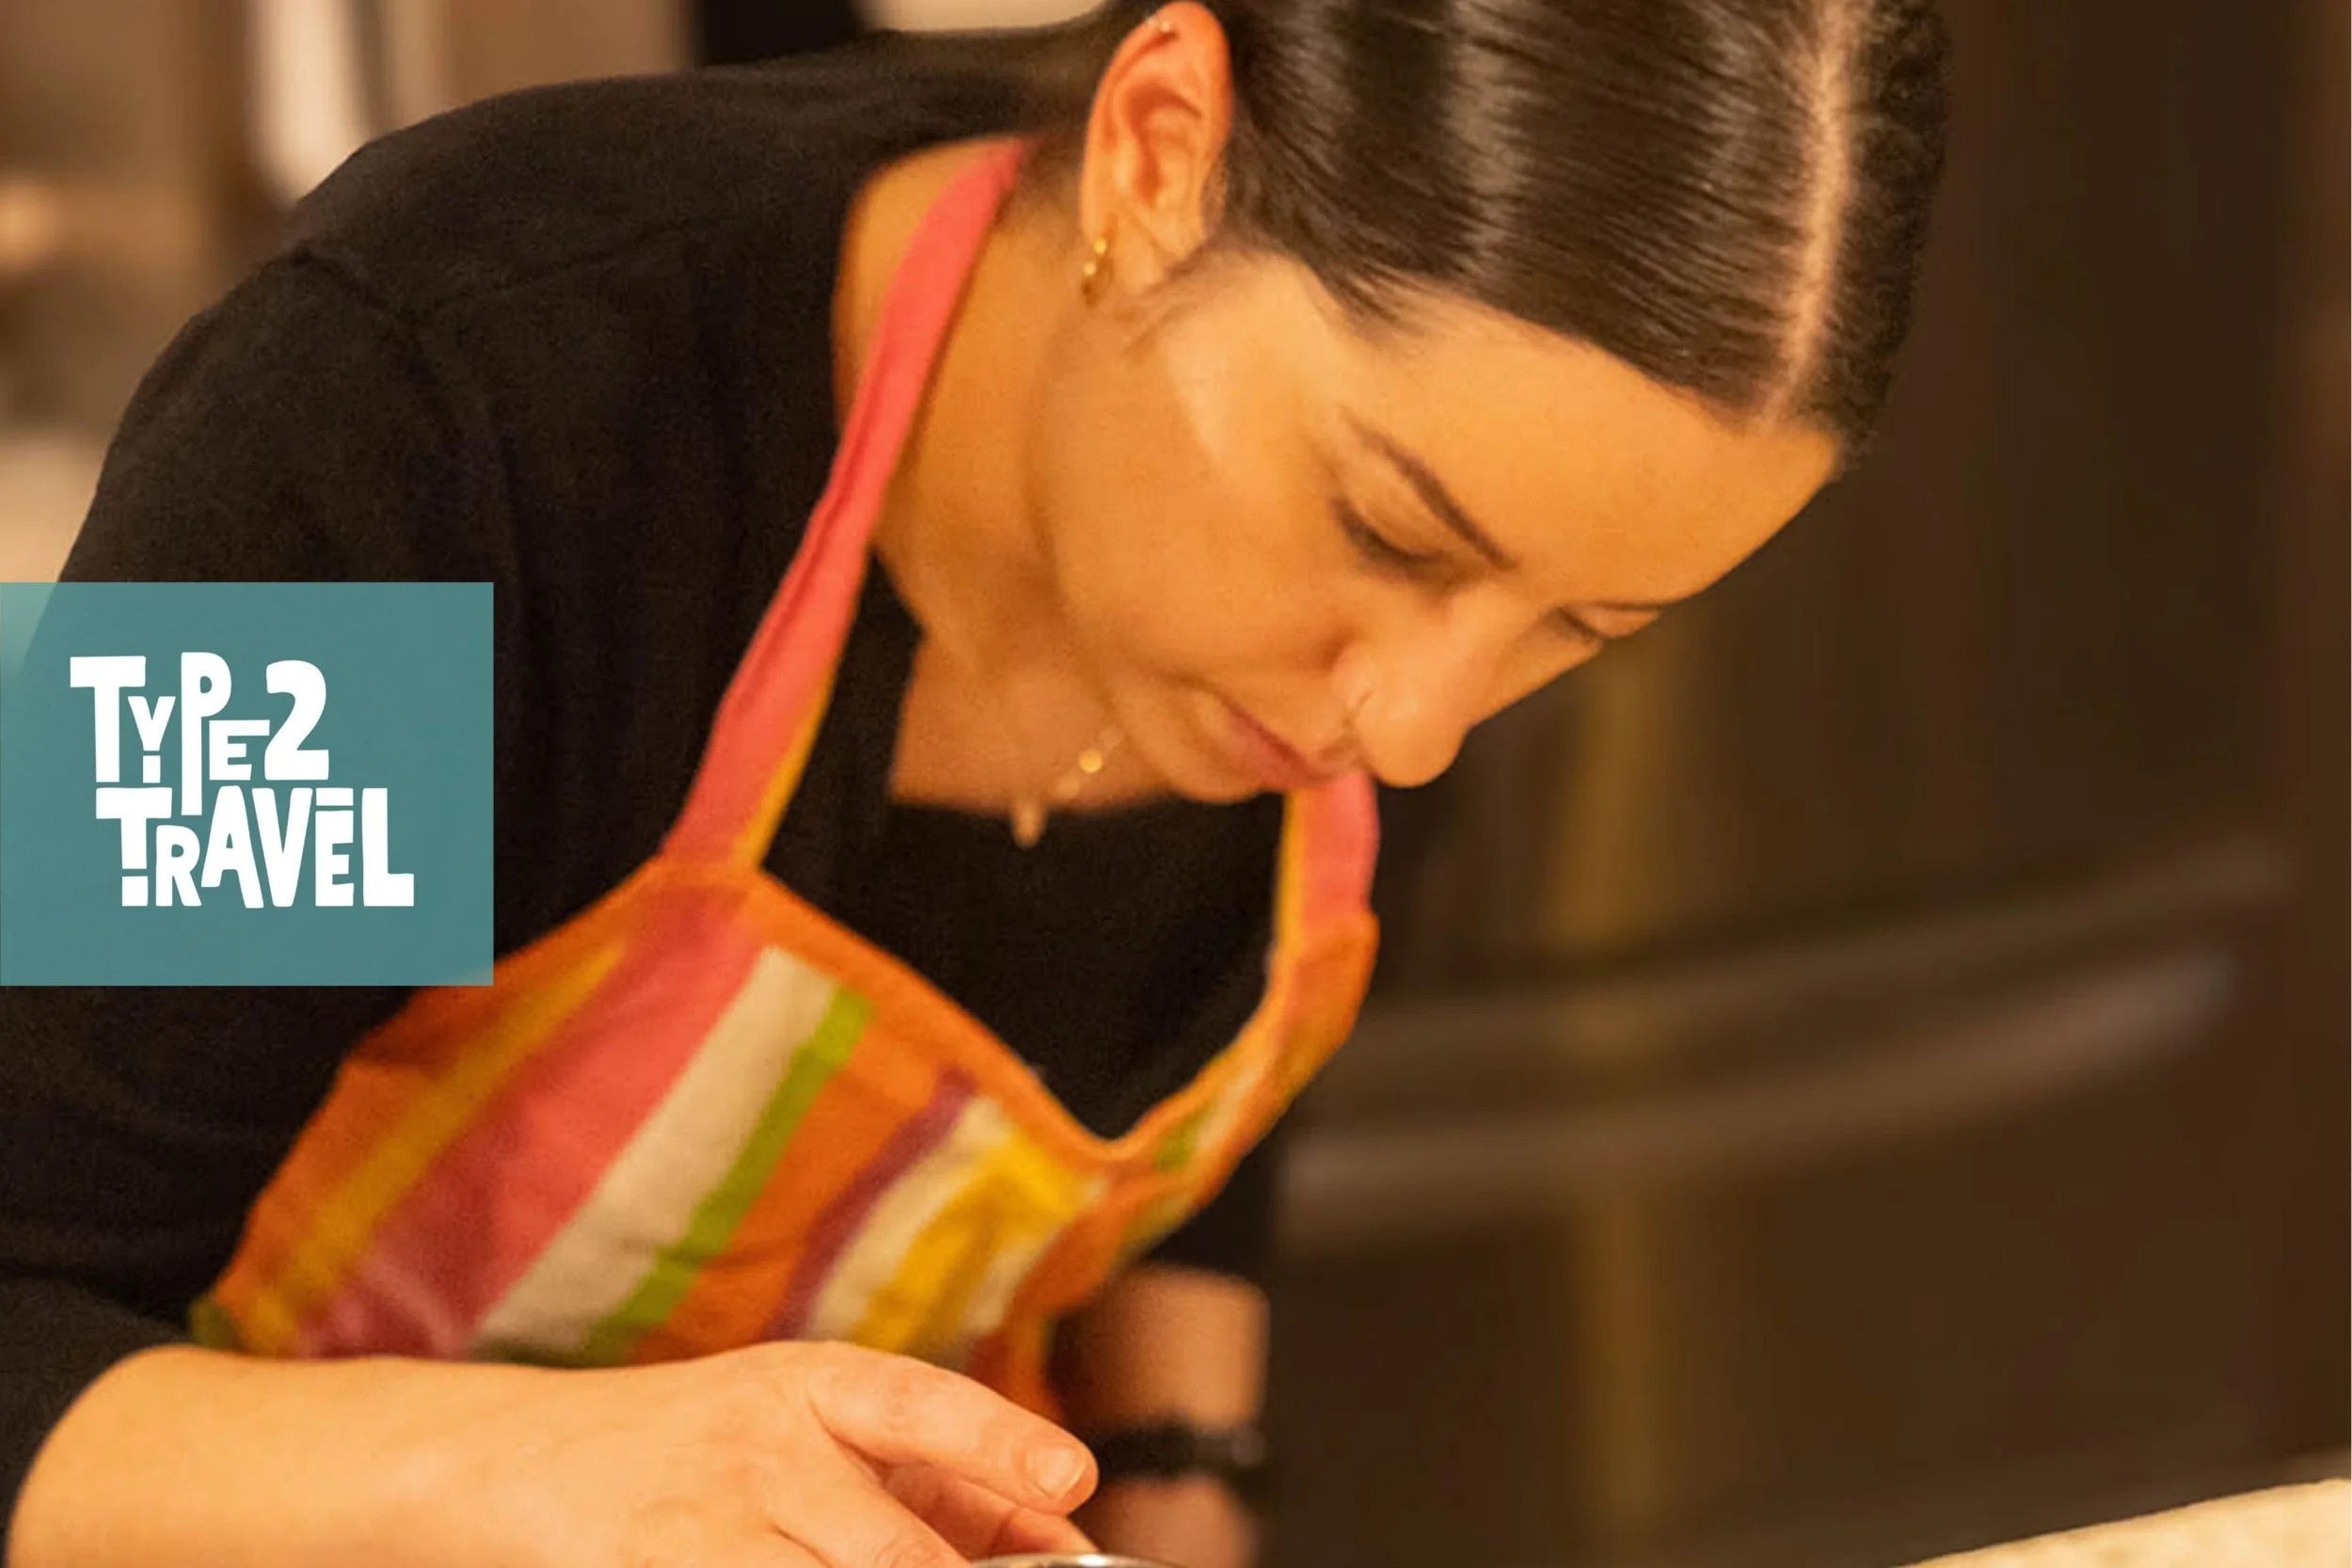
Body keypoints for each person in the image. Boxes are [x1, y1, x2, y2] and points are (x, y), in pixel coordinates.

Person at [0, 2, 1950, 1565]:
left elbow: (1195, 1084)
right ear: (1158, 155)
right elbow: (22, 1310)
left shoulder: (1362, 615)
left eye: (1580, 630)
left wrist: (1180, 1473)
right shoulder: (443, 415)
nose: (1419, 723)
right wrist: (531, 1479)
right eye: (1386, 530)